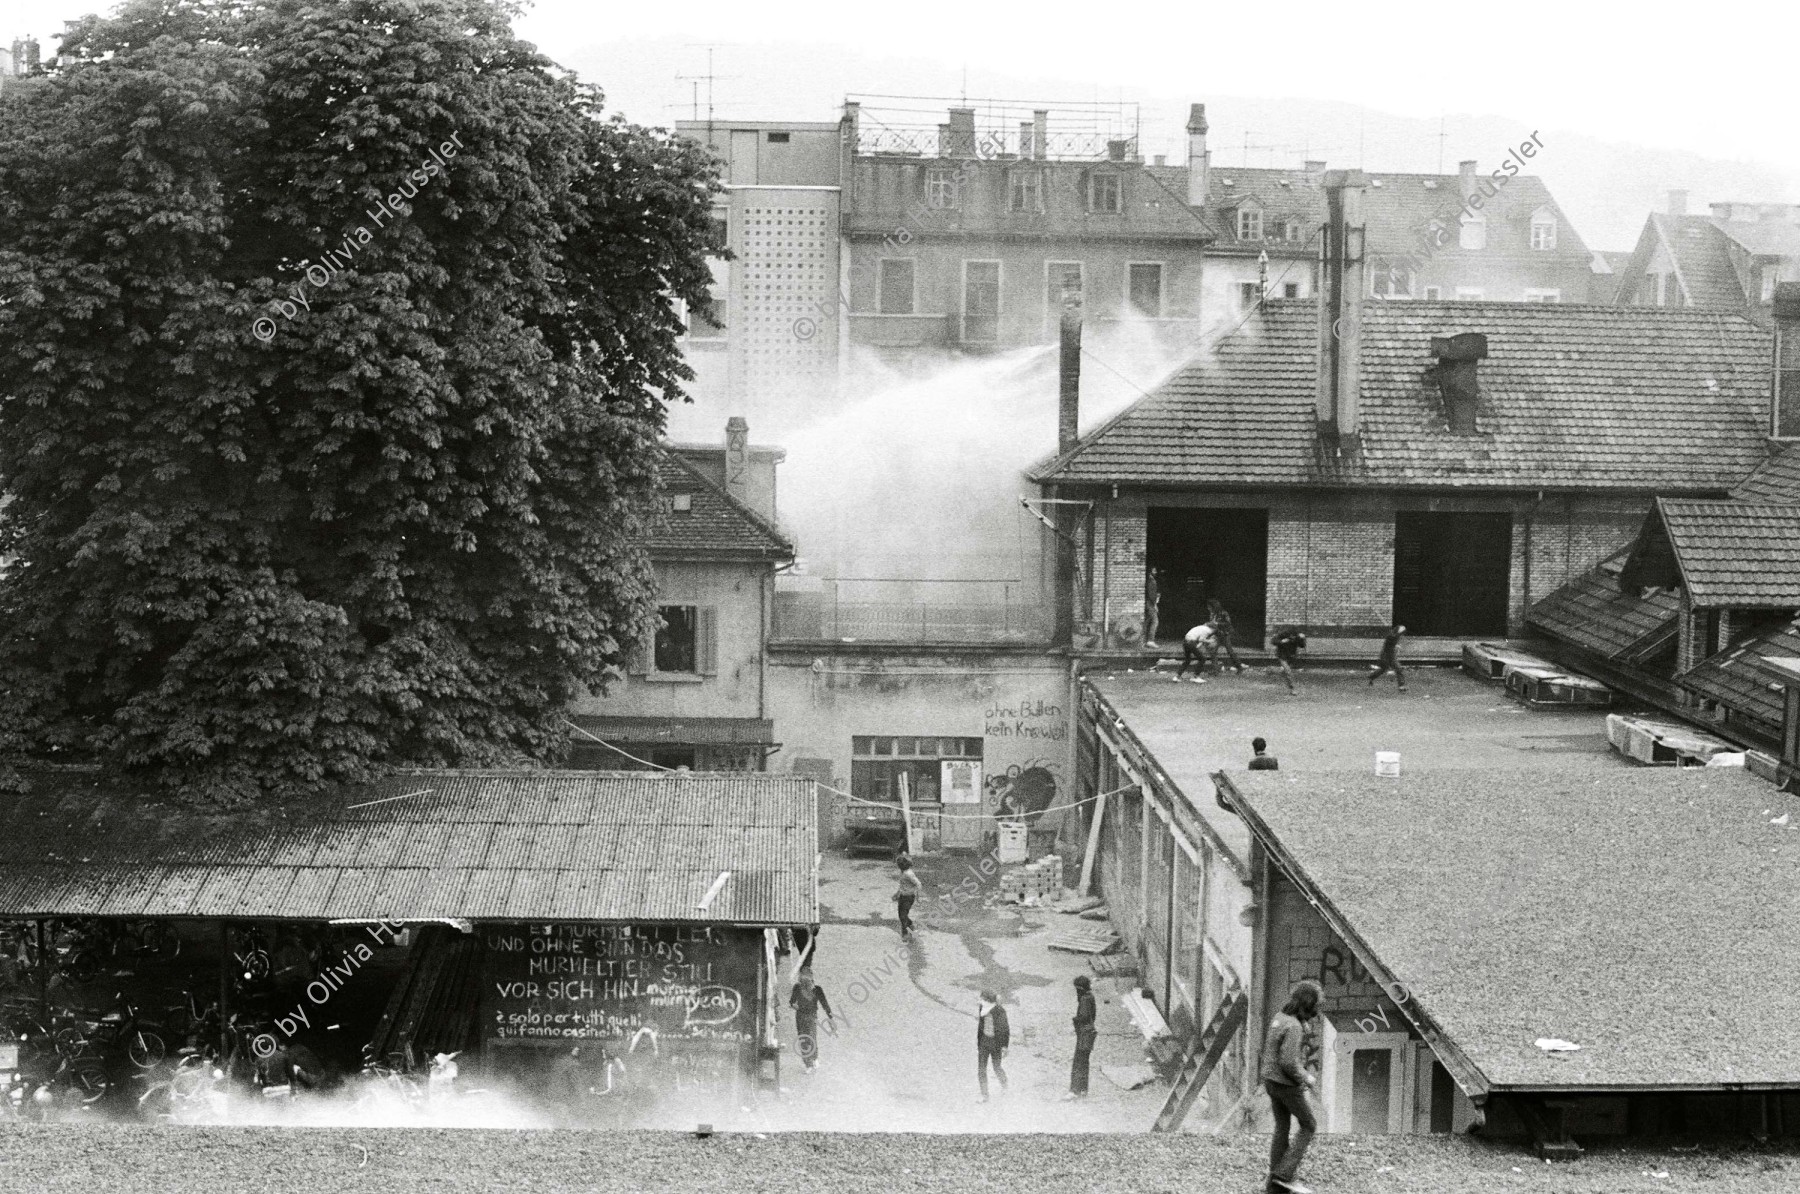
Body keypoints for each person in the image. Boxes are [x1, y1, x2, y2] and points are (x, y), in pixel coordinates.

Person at [1262, 979, 1323, 1194]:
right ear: (1308, 1005)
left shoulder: (1280, 1017)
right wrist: (1306, 1078)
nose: (1316, 1012)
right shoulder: (1294, 1026)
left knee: (1282, 1127)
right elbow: (1288, 1062)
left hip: (1270, 1080)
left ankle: (1275, 1185)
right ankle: (1284, 1175)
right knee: (1309, 1125)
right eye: (1315, 1006)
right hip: (1285, 1084)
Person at [789, 967, 835, 1073]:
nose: (805, 981)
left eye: (807, 978)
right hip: (800, 1016)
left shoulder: (817, 990)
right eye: (803, 978)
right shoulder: (797, 988)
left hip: (811, 1016)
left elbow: (825, 1004)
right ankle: (808, 1064)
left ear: (811, 978)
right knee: (803, 1039)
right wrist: (794, 1006)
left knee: (812, 1038)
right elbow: (792, 1001)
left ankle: (814, 1058)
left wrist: (830, 1017)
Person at [1063, 976, 1097, 1101]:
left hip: (1084, 1034)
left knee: (1078, 1062)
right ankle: (1083, 1089)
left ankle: (1074, 1090)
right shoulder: (1090, 997)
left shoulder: (1084, 999)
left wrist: (1074, 1020)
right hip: (1089, 1032)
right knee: (1084, 1062)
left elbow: (1083, 1016)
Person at [976, 990, 1009, 1101]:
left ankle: (1004, 1083)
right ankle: (984, 1095)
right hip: (984, 1042)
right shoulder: (982, 1008)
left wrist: (1004, 1046)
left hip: (996, 1044)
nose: (979, 1001)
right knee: (981, 1069)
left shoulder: (1000, 1011)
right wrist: (979, 1042)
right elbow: (981, 1025)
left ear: (988, 1001)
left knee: (996, 1067)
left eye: (981, 999)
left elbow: (1005, 1030)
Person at [1207, 598, 1246, 673]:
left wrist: (1217, 624)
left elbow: (1228, 623)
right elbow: (1212, 624)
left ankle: (1239, 667)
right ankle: (1215, 670)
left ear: (1213, 607)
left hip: (1225, 634)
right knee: (1213, 651)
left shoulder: (1223, 613)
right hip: (1217, 634)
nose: (1208, 609)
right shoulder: (1212, 614)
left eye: (1209, 607)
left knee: (1230, 651)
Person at [1368, 623, 1407, 691]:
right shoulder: (1391, 636)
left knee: (1398, 669)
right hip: (1386, 655)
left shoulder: (1395, 636)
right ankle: (1371, 677)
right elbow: (1392, 641)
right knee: (1384, 669)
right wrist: (1396, 646)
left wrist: (1396, 646)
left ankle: (1401, 686)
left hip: (1390, 655)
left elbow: (1394, 643)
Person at [893, 855, 923, 938]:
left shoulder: (908, 874)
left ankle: (905, 933)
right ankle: (910, 924)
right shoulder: (903, 872)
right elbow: (903, 885)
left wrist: (918, 897)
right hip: (902, 896)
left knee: (903, 916)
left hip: (909, 897)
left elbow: (918, 884)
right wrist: (897, 894)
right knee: (901, 915)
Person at [1271, 628, 1307, 696]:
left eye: (1294, 637)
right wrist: (1281, 641)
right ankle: (1293, 689)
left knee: (1284, 671)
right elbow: (1273, 641)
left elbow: (1302, 646)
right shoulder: (1282, 634)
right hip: (1282, 656)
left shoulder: (1297, 637)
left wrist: (1302, 639)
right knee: (1288, 671)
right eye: (1291, 637)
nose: (1293, 638)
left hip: (1291, 657)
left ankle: (1272, 670)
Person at [1143, 569, 1163, 647]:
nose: (1156, 572)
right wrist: (1155, 605)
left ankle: (1143, 640)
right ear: (1150, 571)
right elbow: (1152, 595)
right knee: (1155, 621)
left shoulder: (1148, 580)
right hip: (1150, 604)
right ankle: (1150, 640)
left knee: (1147, 622)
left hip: (1147, 603)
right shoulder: (1152, 581)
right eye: (1154, 571)